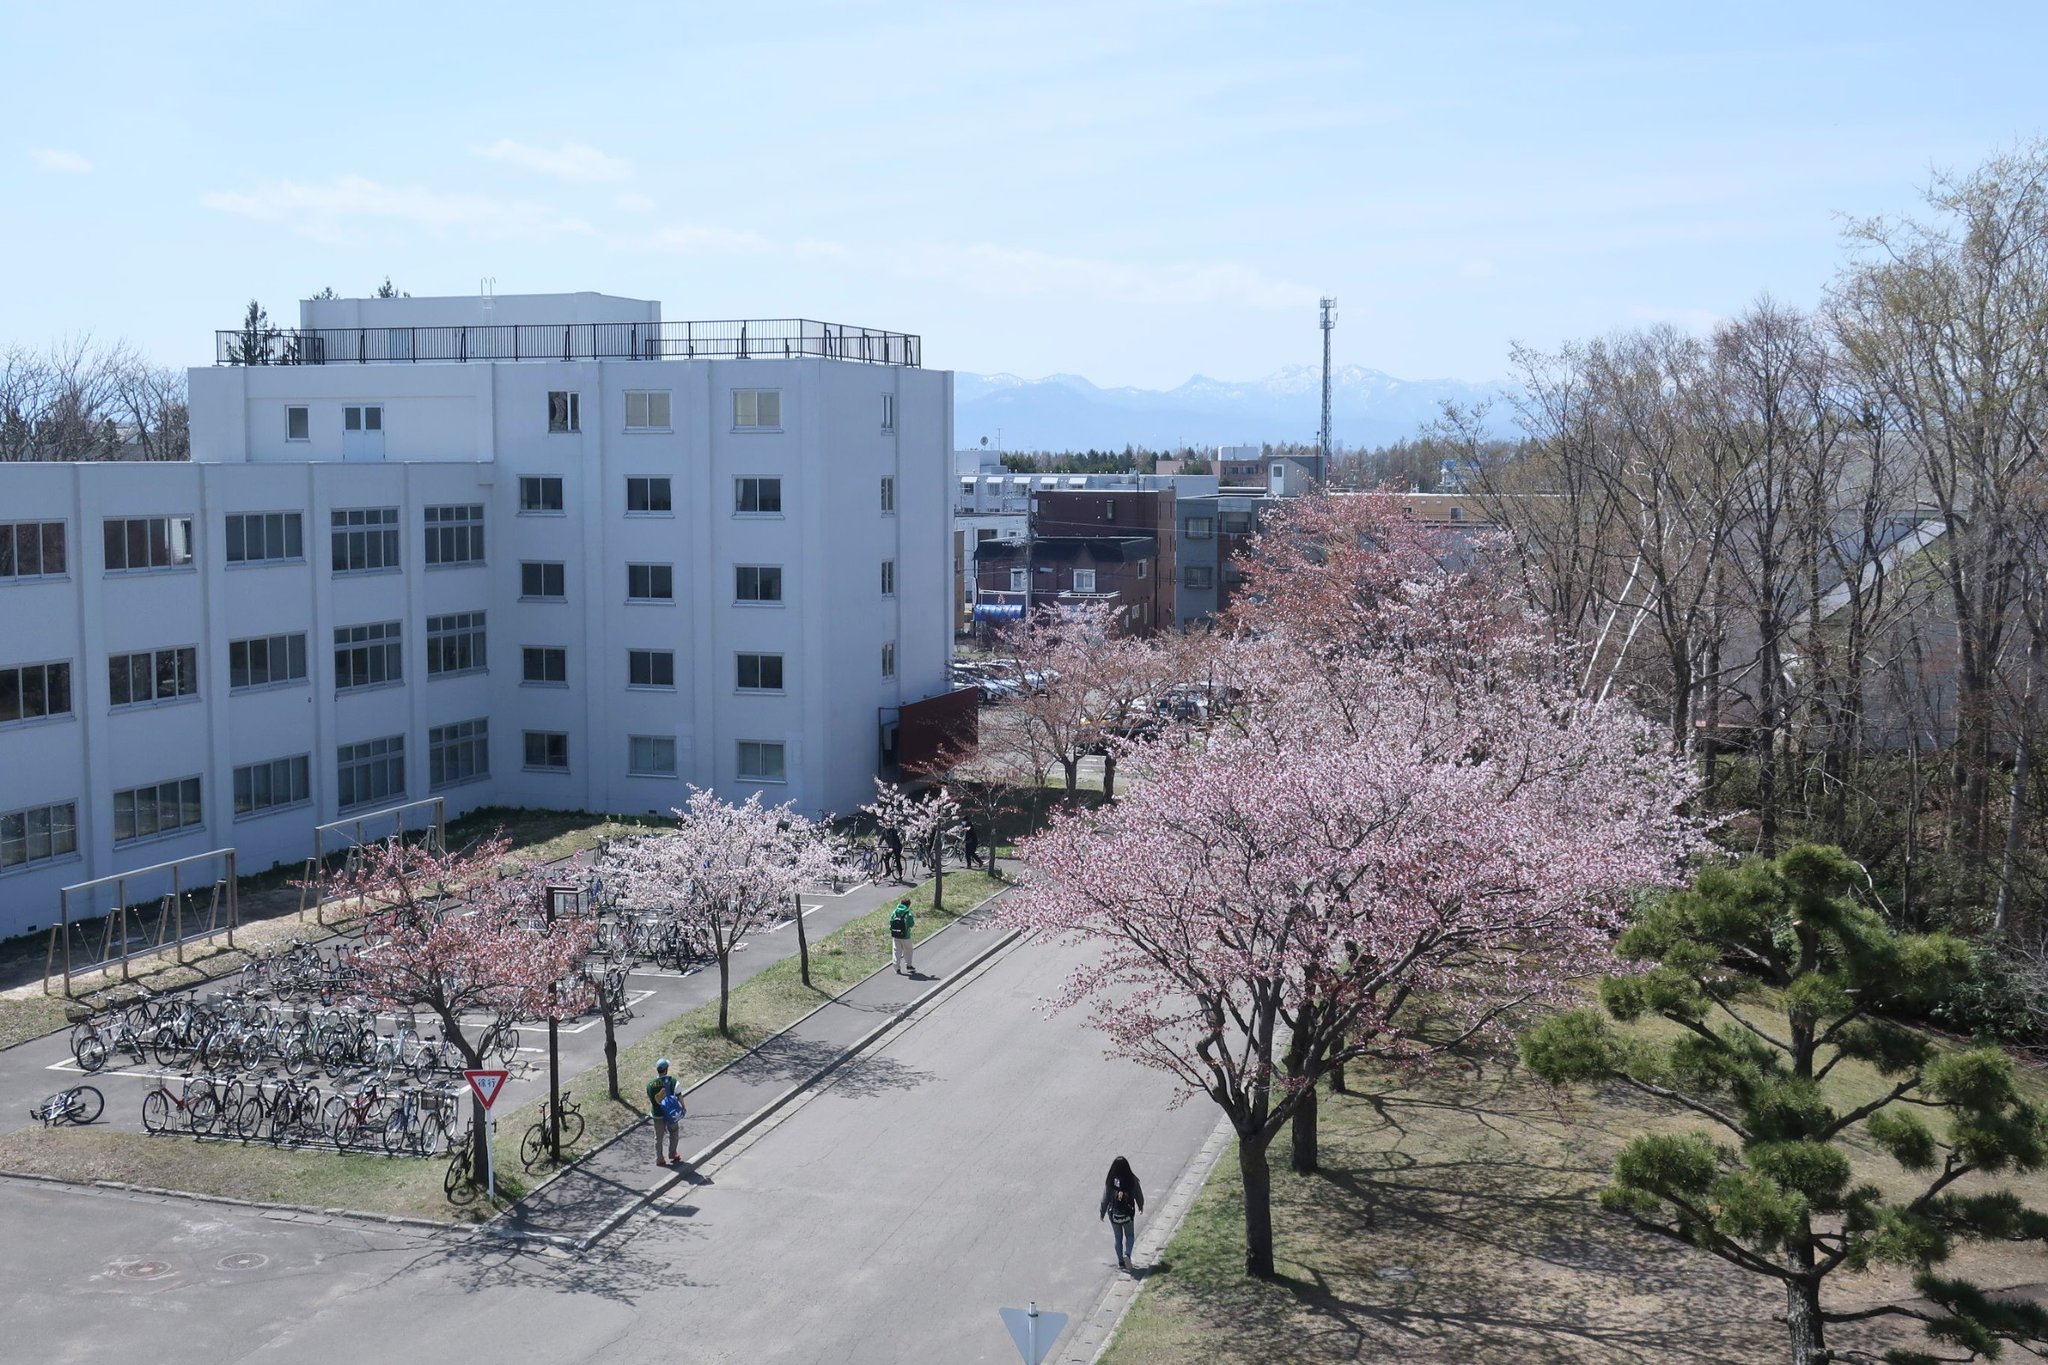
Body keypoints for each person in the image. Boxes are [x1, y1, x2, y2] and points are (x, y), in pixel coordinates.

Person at [1100, 1155, 1144, 1269]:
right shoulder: (1132, 1179)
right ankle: (1127, 1254)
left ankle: (1120, 1262)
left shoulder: (1110, 1181)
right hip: (1127, 1214)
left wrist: (1102, 1212)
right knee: (1129, 1235)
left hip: (1114, 1215)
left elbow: (1105, 1199)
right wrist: (1140, 1206)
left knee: (1117, 1237)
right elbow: (1138, 1194)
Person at [646, 1058, 684, 1165]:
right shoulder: (673, 1081)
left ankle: (659, 1158)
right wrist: (683, 1107)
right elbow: (679, 1095)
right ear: (666, 1069)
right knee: (674, 1132)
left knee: (658, 1137)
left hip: (657, 1115)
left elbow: (650, 1097)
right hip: (671, 1113)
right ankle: (672, 1154)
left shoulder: (650, 1085)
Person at [888, 897, 916, 976]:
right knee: (908, 950)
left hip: (896, 935)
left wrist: (892, 929)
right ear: (908, 905)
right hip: (906, 936)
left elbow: (891, 921)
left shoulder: (895, 912)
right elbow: (911, 924)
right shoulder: (908, 913)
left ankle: (897, 968)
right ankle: (909, 966)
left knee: (896, 951)